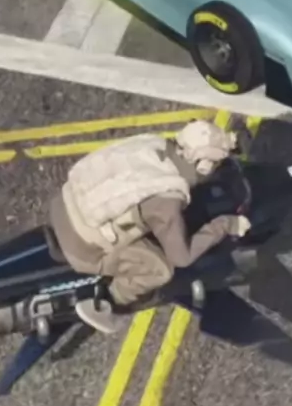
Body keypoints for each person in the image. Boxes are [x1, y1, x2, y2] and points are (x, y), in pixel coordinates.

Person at [50, 119, 251, 333]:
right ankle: (110, 300)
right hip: (83, 246)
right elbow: (182, 257)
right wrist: (226, 224)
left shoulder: (154, 143)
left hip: (63, 203)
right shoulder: (167, 199)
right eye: (216, 164)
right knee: (161, 269)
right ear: (205, 166)